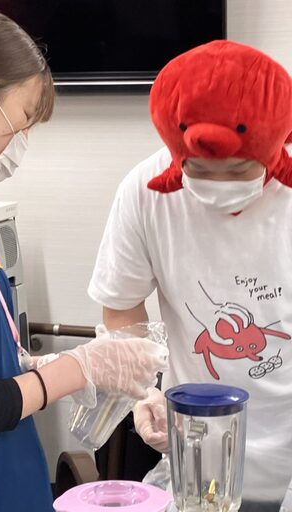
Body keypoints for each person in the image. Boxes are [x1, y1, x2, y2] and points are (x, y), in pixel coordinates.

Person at [0, 9, 168, 512]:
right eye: (21, 119)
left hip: (4, 479)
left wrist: (32, 364)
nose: (19, 141)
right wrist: (77, 368)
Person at [88, 40, 292, 511]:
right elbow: (121, 305)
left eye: (240, 169)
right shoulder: (145, 191)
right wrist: (143, 391)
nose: (221, 186)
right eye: (200, 171)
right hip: (198, 454)